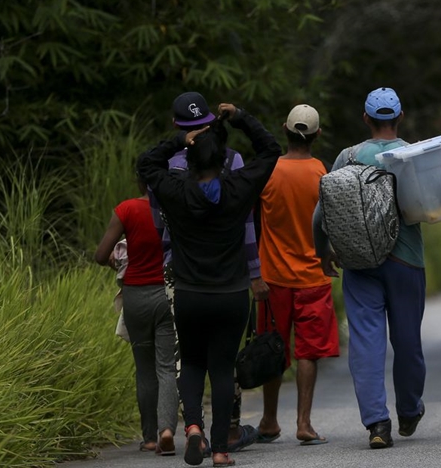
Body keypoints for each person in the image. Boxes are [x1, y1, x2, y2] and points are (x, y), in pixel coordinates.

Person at [137, 102, 280, 467]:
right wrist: (240, 117)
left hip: (189, 294)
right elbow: (270, 149)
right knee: (221, 369)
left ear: (191, 159)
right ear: (223, 160)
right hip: (231, 295)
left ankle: (194, 429)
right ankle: (219, 450)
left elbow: (146, 164)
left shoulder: (176, 191)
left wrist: (179, 140)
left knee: (194, 364)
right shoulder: (238, 187)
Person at [312, 87, 427, 449]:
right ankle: (409, 410)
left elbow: (322, 210)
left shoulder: (348, 157)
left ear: (366, 119)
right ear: (400, 117)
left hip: (359, 262)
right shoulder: (412, 155)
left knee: (365, 342)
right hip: (406, 261)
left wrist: (323, 251)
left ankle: (378, 424)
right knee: (407, 340)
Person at [254, 104, 340, 446]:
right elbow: (331, 224)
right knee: (308, 352)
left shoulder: (267, 172)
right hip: (313, 278)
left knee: (273, 349)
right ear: (317, 135)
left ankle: (269, 420)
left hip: (272, 278)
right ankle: (304, 424)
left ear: (284, 130)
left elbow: (252, 223)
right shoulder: (324, 174)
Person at [94, 173, 179, 457]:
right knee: (166, 367)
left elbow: (100, 254)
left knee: (144, 369)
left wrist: (115, 261)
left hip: (135, 298)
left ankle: (150, 438)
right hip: (165, 294)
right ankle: (167, 429)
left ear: (138, 181)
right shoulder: (171, 208)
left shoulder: (126, 210)